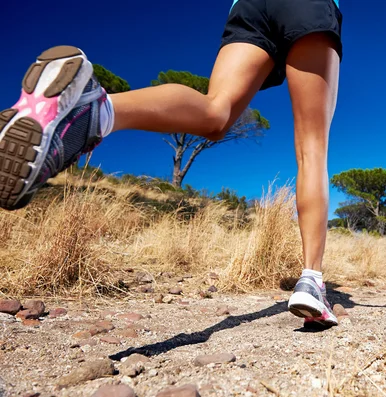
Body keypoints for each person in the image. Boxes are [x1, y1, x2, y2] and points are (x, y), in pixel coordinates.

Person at [0, 0, 342, 327]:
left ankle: (97, 110)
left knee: (215, 111)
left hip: (250, 7)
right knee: (312, 146)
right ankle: (311, 281)